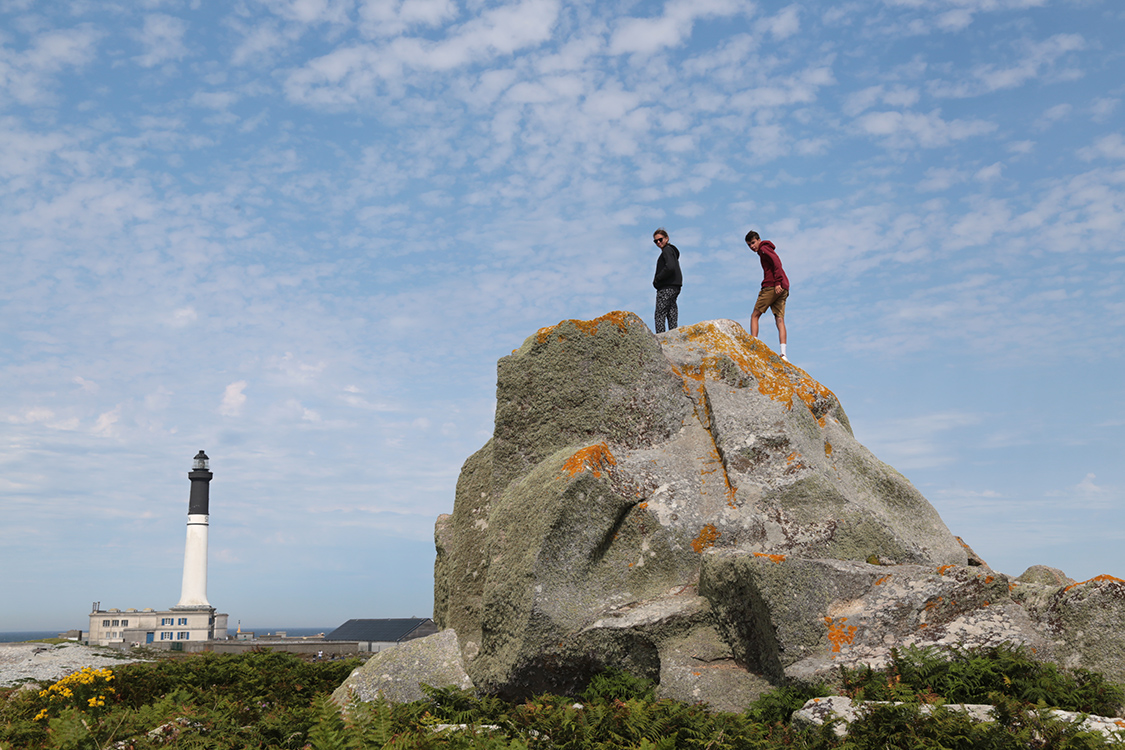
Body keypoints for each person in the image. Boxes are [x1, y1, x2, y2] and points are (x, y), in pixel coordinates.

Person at [746, 230, 789, 361]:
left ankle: (753, 348)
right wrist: (781, 283)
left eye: (753, 243)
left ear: (758, 240)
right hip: (784, 287)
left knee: (755, 315)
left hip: (772, 286)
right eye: (749, 245)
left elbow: (777, 262)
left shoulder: (764, 249)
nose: (752, 246)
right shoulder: (765, 249)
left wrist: (776, 283)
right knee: (780, 320)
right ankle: (784, 354)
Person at [652, 227, 682, 333]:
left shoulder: (667, 250)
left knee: (660, 314)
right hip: (675, 287)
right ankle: (674, 336)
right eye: (656, 241)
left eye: (660, 239)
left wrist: (657, 279)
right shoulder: (672, 251)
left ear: (667, 238)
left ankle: (661, 340)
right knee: (671, 312)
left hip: (666, 287)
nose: (658, 242)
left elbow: (670, 267)